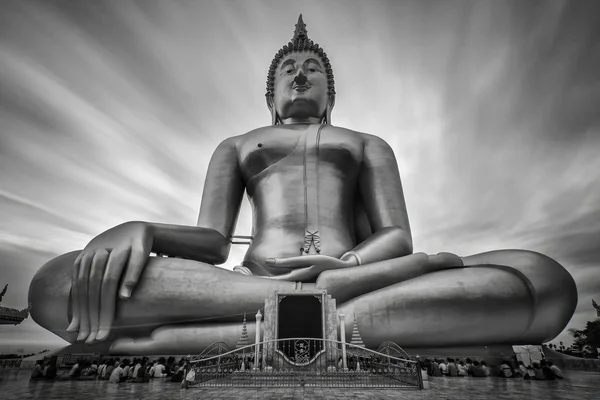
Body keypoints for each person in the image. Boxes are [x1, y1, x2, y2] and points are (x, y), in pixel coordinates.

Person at [28, 15, 577, 355]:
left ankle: (215, 334)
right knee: (56, 286)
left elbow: (396, 237)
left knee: (542, 281)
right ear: (271, 95)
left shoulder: (366, 143)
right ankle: (313, 314)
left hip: (360, 278)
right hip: (247, 285)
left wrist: (348, 269)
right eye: (289, 67)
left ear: (329, 93)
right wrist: (143, 229)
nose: (299, 73)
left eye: (312, 67)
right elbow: (214, 243)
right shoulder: (238, 144)